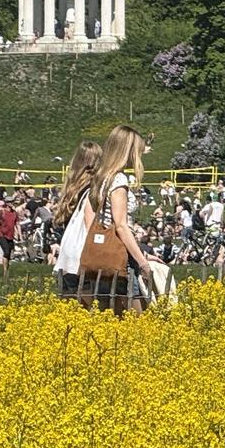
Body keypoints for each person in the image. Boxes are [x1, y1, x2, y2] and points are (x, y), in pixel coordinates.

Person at [87, 125, 152, 316]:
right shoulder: (119, 181)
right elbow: (121, 225)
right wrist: (142, 262)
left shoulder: (102, 177)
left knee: (108, 311)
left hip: (103, 252)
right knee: (135, 314)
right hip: (120, 254)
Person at [52, 141, 102, 297]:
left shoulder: (70, 189)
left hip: (67, 256)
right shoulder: (92, 190)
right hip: (82, 255)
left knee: (69, 307)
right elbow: (90, 226)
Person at [0, 200, 19, 278]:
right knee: (6, 251)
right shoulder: (2, 213)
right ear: (7, 204)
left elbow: (17, 224)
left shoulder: (14, 213)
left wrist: (19, 235)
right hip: (2, 235)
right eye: (11, 202)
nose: (12, 204)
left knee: (9, 254)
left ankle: (7, 269)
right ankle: (5, 271)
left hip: (10, 236)